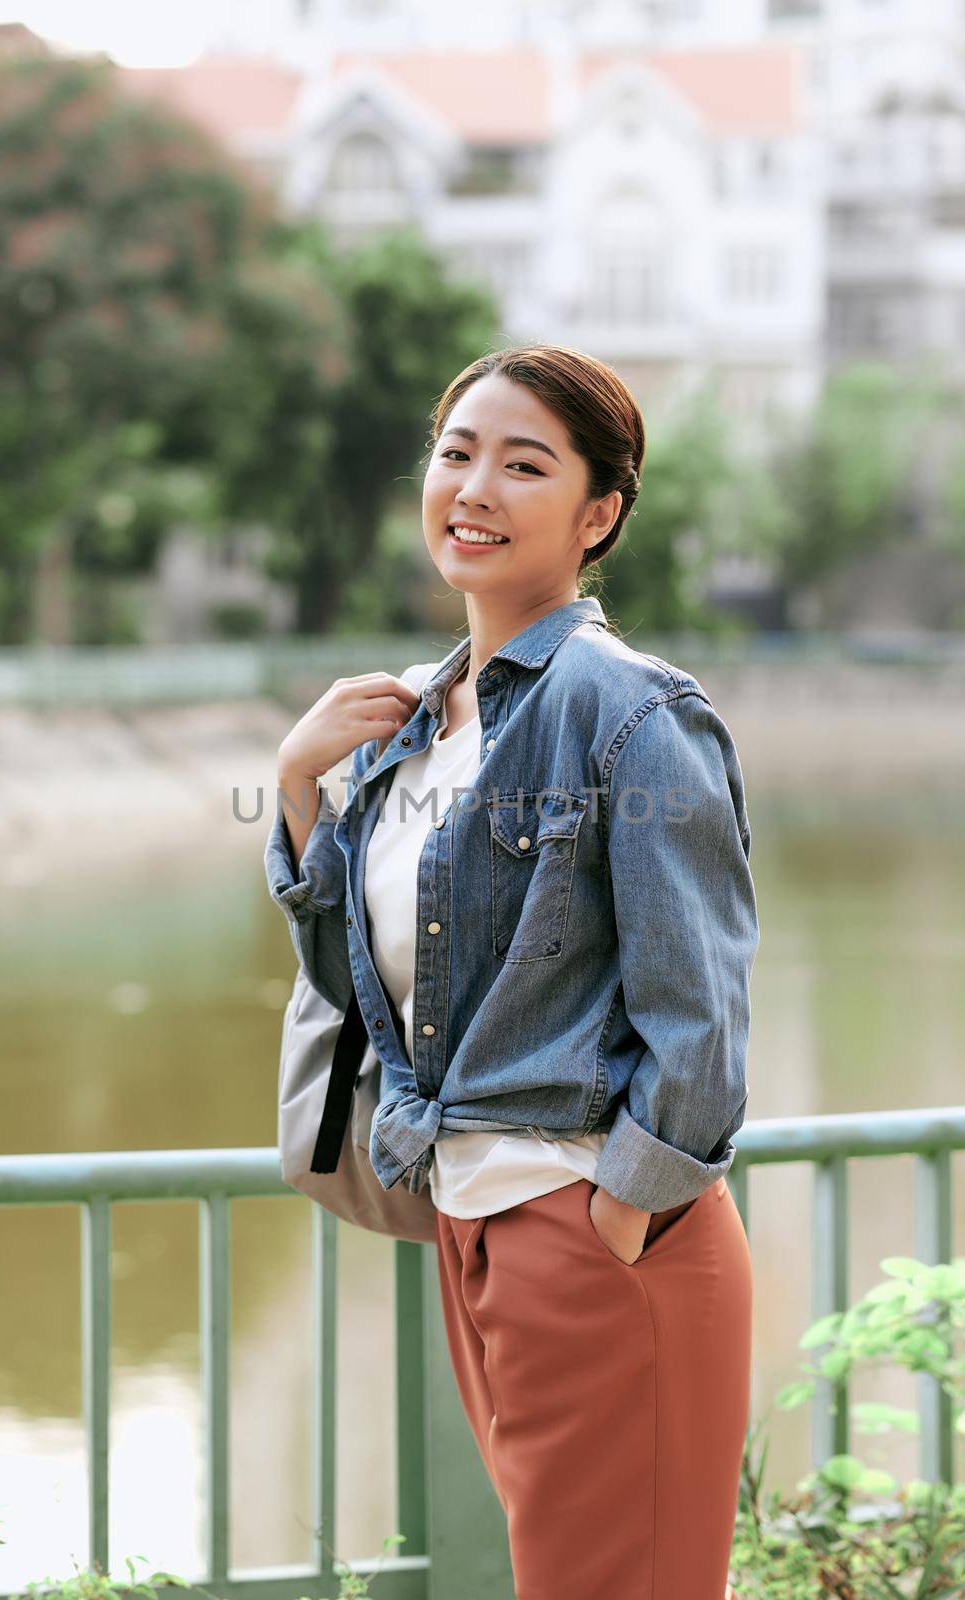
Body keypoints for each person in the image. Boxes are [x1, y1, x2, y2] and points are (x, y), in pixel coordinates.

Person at [268, 343, 759, 1599]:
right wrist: (293, 787)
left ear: (597, 514)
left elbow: (697, 1005)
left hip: (594, 1228)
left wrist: (618, 1214)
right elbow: (357, 978)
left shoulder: (631, 710)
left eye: (522, 464)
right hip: (474, 1224)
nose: (474, 486)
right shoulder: (420, 720)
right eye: (455, 453)